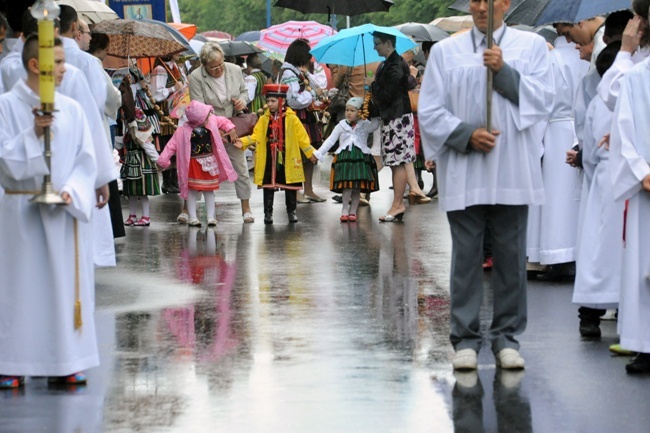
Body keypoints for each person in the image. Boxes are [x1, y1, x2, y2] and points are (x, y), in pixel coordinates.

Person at [419, 0, 554, 370]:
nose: (481, 7)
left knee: (511, 255)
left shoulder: (530, 48)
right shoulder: (447, 52)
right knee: (466, 255)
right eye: (475, 0)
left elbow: (545, 100)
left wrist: (505, 72)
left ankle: (506, 337)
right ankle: (465, 339)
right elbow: (429, 109)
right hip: (465, 169)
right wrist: (465, 134)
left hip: (512, 168)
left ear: (505, 3)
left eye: (489, 0)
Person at [0, 35, 99, 389]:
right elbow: (5, 163)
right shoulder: (6, 106)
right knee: (19, 287)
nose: (63, 69)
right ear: (34, 65)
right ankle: (11, 360)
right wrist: (32, 132)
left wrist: (73, 191)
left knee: (61, 288)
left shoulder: (71, 109)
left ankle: (65, 360)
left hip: (63, 213)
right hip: (19, 212)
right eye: (56, 62)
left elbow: (86, 160)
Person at [608, 0, 650, 374]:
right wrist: (642, 171)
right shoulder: (638, 77)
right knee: (644, 265)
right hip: (648, 185)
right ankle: (645, 343)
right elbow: (624, 131)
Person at [572, 42, 623, 338]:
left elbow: (589, 151)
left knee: (597, 249)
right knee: (630, 250)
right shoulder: (638, 90)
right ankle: (630, 313)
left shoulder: (596, 102)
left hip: (604, 178)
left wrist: (594, 172)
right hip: (635, 178)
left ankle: (589, 315)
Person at [531, 35, 589, 281]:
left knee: (555, 196)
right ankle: (579, 253)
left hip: (554, 130)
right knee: (579, 197)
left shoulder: (551, 59)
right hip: (581, 127)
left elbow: (541, 101)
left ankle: (556, 255)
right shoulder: (587, 57)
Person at [189, 41, 255, 223]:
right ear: (204, 65)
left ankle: (246, 207)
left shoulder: (234, 70)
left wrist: (242, 101)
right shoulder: (196, 77)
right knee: (201, 169)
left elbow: (244, 92)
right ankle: (191, 210)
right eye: (213, 67)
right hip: (208, 126)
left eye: (220, 65)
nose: (218, 69)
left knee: (240, 167)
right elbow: (198, 107)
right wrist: (218, 128)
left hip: (233, 125)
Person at [240, 83, 317, 224]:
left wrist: (310, 153)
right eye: (268, 101)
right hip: (270, 156)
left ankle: (291, 211)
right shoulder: (264, 119)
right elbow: (256, 135)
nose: (269, 104)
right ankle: (268, 214)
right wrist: (242, 142)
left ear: (283, 101)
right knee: (269, 185)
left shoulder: (292, 118)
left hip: (288, 156)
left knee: (290, 185)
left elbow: (303, 138)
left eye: (273, 101)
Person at [371, 31, 427, 221]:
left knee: (397, 163)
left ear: (387, 43)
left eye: (377, 43)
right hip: (397, 117)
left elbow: (388, 94)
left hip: (397, 118)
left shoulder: (393, 65)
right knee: (397, 163)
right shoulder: (392, 63)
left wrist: (372, 86)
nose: (374, 47)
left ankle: (397, 204)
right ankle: (397, 204)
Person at [157, 100, 239, 226]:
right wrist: (162, 161)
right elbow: (170, 147)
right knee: (191, 192)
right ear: (198, 119)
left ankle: (211, 217)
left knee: (209, 190)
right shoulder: (182, 131)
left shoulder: (211, 121)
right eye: (206, 116)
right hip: (192, 165)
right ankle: (192, 217)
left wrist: (231, 129)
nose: (209, 117)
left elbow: (223, 120)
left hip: (208, 162)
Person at [313, 97, 380, 222]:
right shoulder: (341, 125)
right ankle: (345, 209)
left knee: (357, 188)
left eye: (352, 110)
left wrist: (375, 112)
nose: (348, 113)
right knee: (347, 186)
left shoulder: (364, 125)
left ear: (359, 112)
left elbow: (375, 126)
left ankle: (353, 211)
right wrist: (319, 153)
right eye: (347, 110)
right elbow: (331, 140)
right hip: (345, 158)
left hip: (360, 159)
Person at [280, 38, 327, 203]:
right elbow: (294, 99)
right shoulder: (287, 74)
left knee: (310, 153)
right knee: (297, 153)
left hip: (305, 117)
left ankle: (308, 189)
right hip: (296, 117)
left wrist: (307, 74)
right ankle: (296, 190)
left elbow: (318, 85)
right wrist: (313, 95)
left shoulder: (299, 72)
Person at [117, 76, 160, 226]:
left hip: (142, 164)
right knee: (131, 192)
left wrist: (159, 161)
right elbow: (122, 142)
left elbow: (148, 145)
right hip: (132, 163)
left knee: (142, 192)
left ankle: (146, 216)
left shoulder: (140, 131)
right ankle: (132, 215)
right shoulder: (129, 131)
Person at [151, 53, 186, 194]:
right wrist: (173, 89)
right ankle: (167, 181)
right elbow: (156, 94)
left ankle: (174, 179)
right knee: (168, 145)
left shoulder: (176, 67)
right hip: (166, 113)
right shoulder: (160, 69)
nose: (181, 54)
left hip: (177, 111)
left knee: (177, 146)